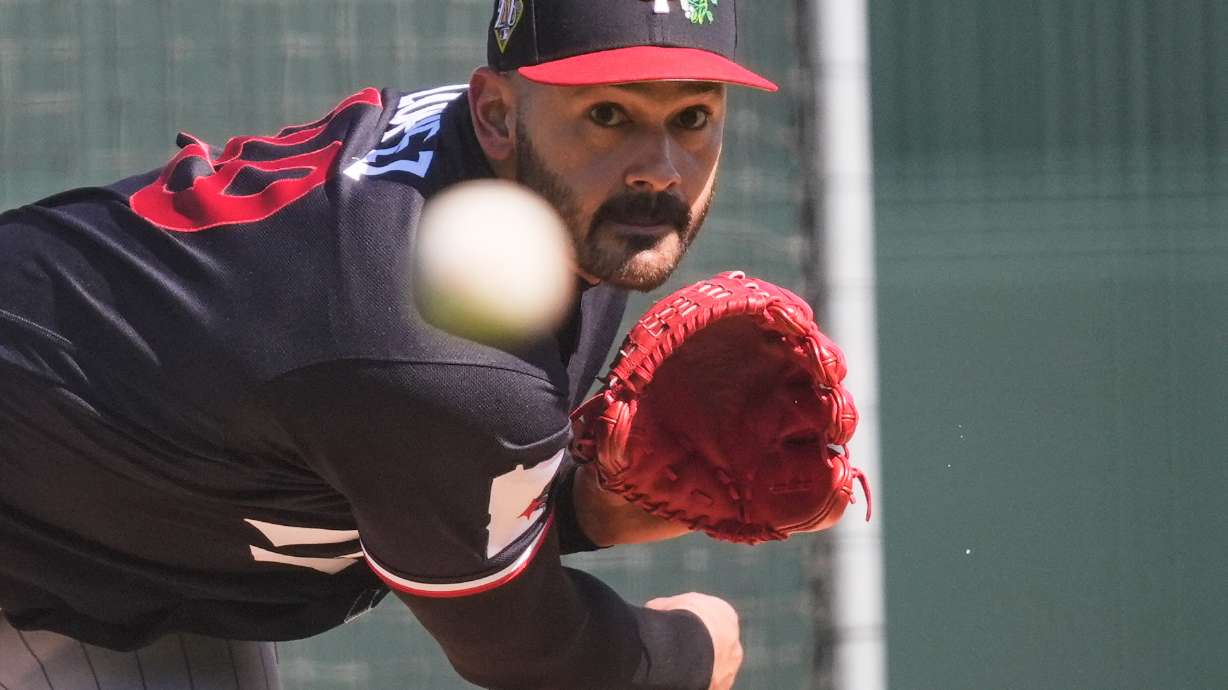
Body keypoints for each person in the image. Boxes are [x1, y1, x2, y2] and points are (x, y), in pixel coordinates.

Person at [0, 1, 777, 688]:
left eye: (693, 118)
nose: (659, 170)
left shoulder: (544, 201)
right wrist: (691, 650)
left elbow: (410, 479)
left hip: (101, 517)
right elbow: (533, 653)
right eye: (609, 113)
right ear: (498, 114)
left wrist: (587, 506)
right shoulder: (439, 346)